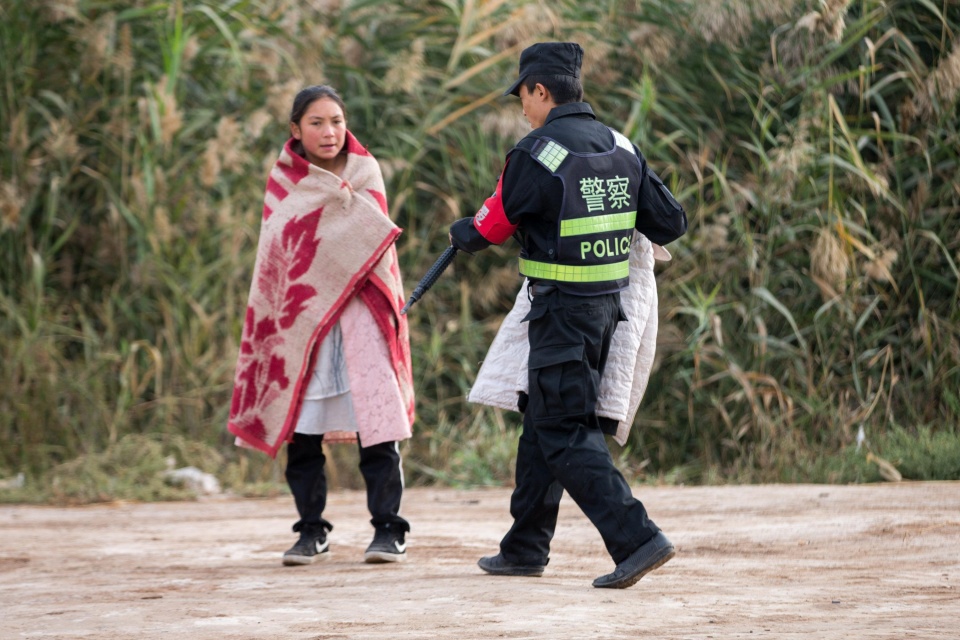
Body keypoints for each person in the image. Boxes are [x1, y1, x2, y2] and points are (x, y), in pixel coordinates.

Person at [448, 43, 687, 589]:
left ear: (541, 90)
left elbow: (485, 230)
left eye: (524, 98)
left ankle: (638, 538)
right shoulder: (622, 147)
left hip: (559, 313)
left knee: (561, 428)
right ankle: (525, 547)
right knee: (542, 418)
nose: (523, 110)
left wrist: (462, 231)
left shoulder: (538, 152)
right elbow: (670, 222)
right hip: (607, 313)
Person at [227, 85, 415, 567]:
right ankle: (311, 531)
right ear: (296, 129)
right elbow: (279, 259)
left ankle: (388, 529)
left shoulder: (364, 171)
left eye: (336, 120)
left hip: (359, 315)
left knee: (377, 427)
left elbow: (373, 240)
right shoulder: (285, 180)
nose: (329, 132)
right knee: (303, 432)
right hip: (303, 320)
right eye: (316, 122)